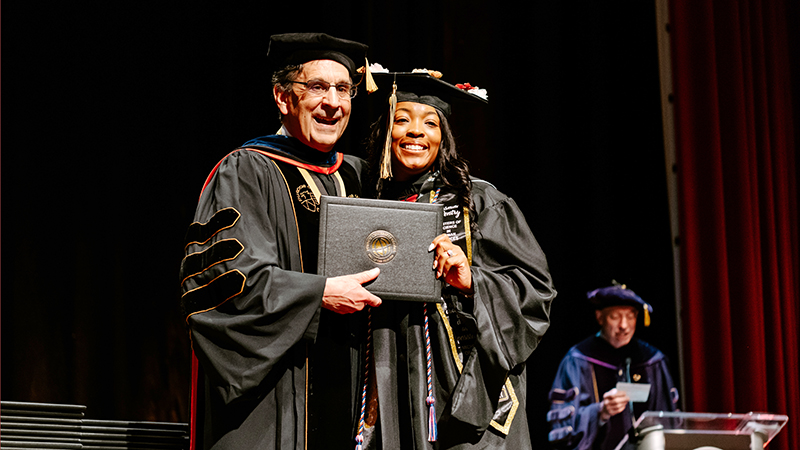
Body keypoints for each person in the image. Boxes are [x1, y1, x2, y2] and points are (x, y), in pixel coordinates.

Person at [178, 33, 383, 450]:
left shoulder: (363, 177)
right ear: (282, 97)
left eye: (343, 89)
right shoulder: (246, 171)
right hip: (275, 399)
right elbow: (227, 282)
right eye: (317, 87)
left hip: (354, 401)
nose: (333, 102)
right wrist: (319, 293)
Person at [355, 71, 556, 449]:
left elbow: (536, 295)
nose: (416, 132)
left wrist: (472, 282)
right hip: (387, 385)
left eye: (430, 123)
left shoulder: (480, 203)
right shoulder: (363, 205)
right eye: (402, 120)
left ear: (443, 138)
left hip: (461, 392)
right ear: (385, 132)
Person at [547, 285, 680, 450]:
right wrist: (600, 412)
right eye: (615, 317)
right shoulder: (577, 359)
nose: (624, 325)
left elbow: (669, 419)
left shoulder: (652, 360)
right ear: (600, 318)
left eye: (630, 316)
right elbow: (563, 424)